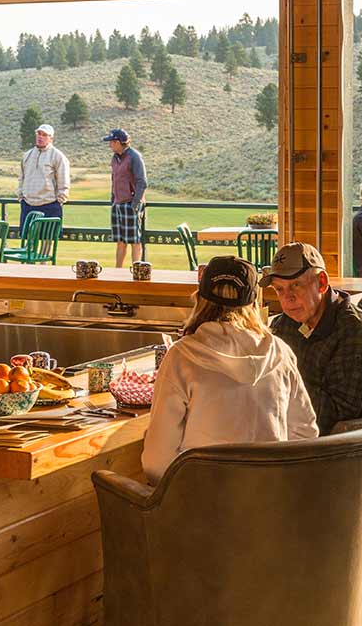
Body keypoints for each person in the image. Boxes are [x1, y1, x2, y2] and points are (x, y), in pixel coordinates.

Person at [142, 256, 318, 485]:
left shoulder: (181, 357)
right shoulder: (281, 353)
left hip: (203, 509)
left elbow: (156, 464)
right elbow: (306, 436)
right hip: (271, 507)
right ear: (254, 303)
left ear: (200, 299)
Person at [265, 242, 362, 433]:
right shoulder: (284, 325)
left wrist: (279, 384)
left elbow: (339, 413)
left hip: (358, 445)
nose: (287, 299)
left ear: (321, 282)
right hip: (302, 433)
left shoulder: (352, 329)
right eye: (279, 289)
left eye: (296, 285)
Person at [106, 128, 147, 268]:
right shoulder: (115, 158)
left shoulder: (134, 156)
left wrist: (134, 204)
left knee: (134, 240)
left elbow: (142, 182)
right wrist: (113, 200)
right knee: (120, 241)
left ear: (118, 142)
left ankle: (137, 271)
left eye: (111, 142)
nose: (109, 145)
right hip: (117, 204)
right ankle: (118, 273)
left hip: (130, 203)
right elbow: (114, 179)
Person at [17, 123, 71, 223]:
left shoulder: (58, 156)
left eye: (44, 135)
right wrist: (21, 197)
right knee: (27, 237)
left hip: (50, 205)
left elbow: (63, 181)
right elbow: (21, 178)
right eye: (39, 134)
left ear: (51, 138)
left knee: (48, 237)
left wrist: (60, 200)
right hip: (28, 205)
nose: (40, 137)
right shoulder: (27, 156)